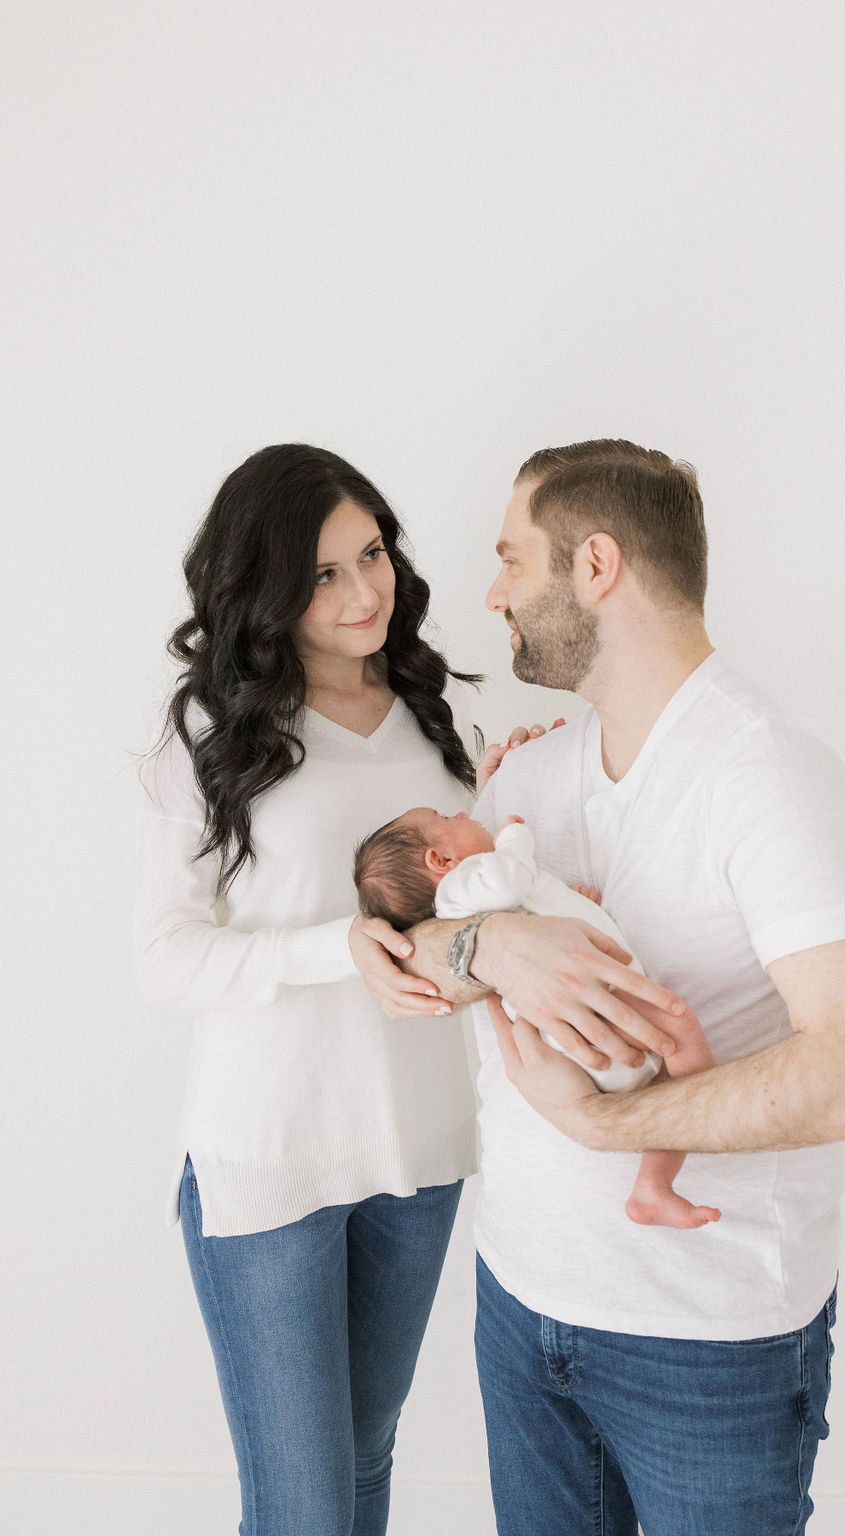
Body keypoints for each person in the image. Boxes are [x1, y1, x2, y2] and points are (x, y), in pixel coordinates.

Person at [350, 438, 845, 1536]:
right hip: (520, 1308)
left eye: (513, 558)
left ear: (595, 565)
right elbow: (414, 946)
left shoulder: (769, 779)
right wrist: (490, 948)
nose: (492, 592)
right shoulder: (528, 774)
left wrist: (608, 1127)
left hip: (704, 1347)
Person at [134, 443, 488, 1536]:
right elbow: (164, 956)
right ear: (267, 587)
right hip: (269, 1160)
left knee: (366, 1464)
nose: (365, 591)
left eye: (372, 554)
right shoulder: (212, 736)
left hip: (420, 1151)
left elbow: (475, 907)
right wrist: (333, 948)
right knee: (303, 1510)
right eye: (325, 572)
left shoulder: (442, 720)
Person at [352, 807, 721, 1228]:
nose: (460, 812)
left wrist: (567, 898)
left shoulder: (475, 899)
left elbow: (526, 904)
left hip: (576, 1046)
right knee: (681, 1037)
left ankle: (652, 1188)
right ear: (441, 861)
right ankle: (661, 1177)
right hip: (592, 1019)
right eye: (445, 818)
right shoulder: (463, 887)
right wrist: (514, 837)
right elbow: (510, 879)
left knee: (664, 1086)